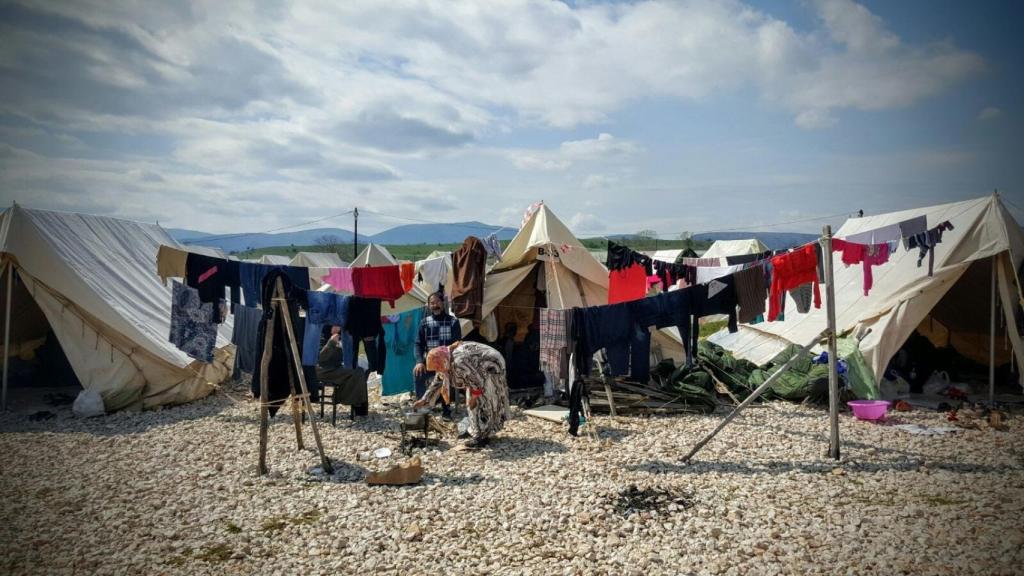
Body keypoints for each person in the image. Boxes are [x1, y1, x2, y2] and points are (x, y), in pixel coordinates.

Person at [415, 341, 509, 448]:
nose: (437, 370)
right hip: (477, 371)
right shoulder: (445, 359)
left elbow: (478, 380)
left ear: (442, 361)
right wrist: (424, 399)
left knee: (487, 399)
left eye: (437, 367)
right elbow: (438, 381)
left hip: (491, 366)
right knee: (472, 403)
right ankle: (478, 431)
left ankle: (483, 436)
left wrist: (474, 398)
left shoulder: (459, 361)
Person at [413, 292, 462, 419]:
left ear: (443, 303)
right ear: (429, 306)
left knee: (445, 375)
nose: (435, 306)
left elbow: (457, 343)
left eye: (438, 302)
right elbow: (418, 344)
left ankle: (446, 410)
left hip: (448, 361)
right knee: (418, 372)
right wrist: (419, 361)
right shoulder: (424, 323)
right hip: (430, 362)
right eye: (432, 303)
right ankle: (422, 405)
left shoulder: (453, 322)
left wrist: (445, 356)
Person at [318, 326, 368, 415]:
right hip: (323, 370)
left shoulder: (344, 333)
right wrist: (331, 343)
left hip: (336, 367)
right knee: (357, 372)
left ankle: (355, 404)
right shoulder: (321, 332)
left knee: (361, 371)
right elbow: (321, 358)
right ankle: (343, 398)